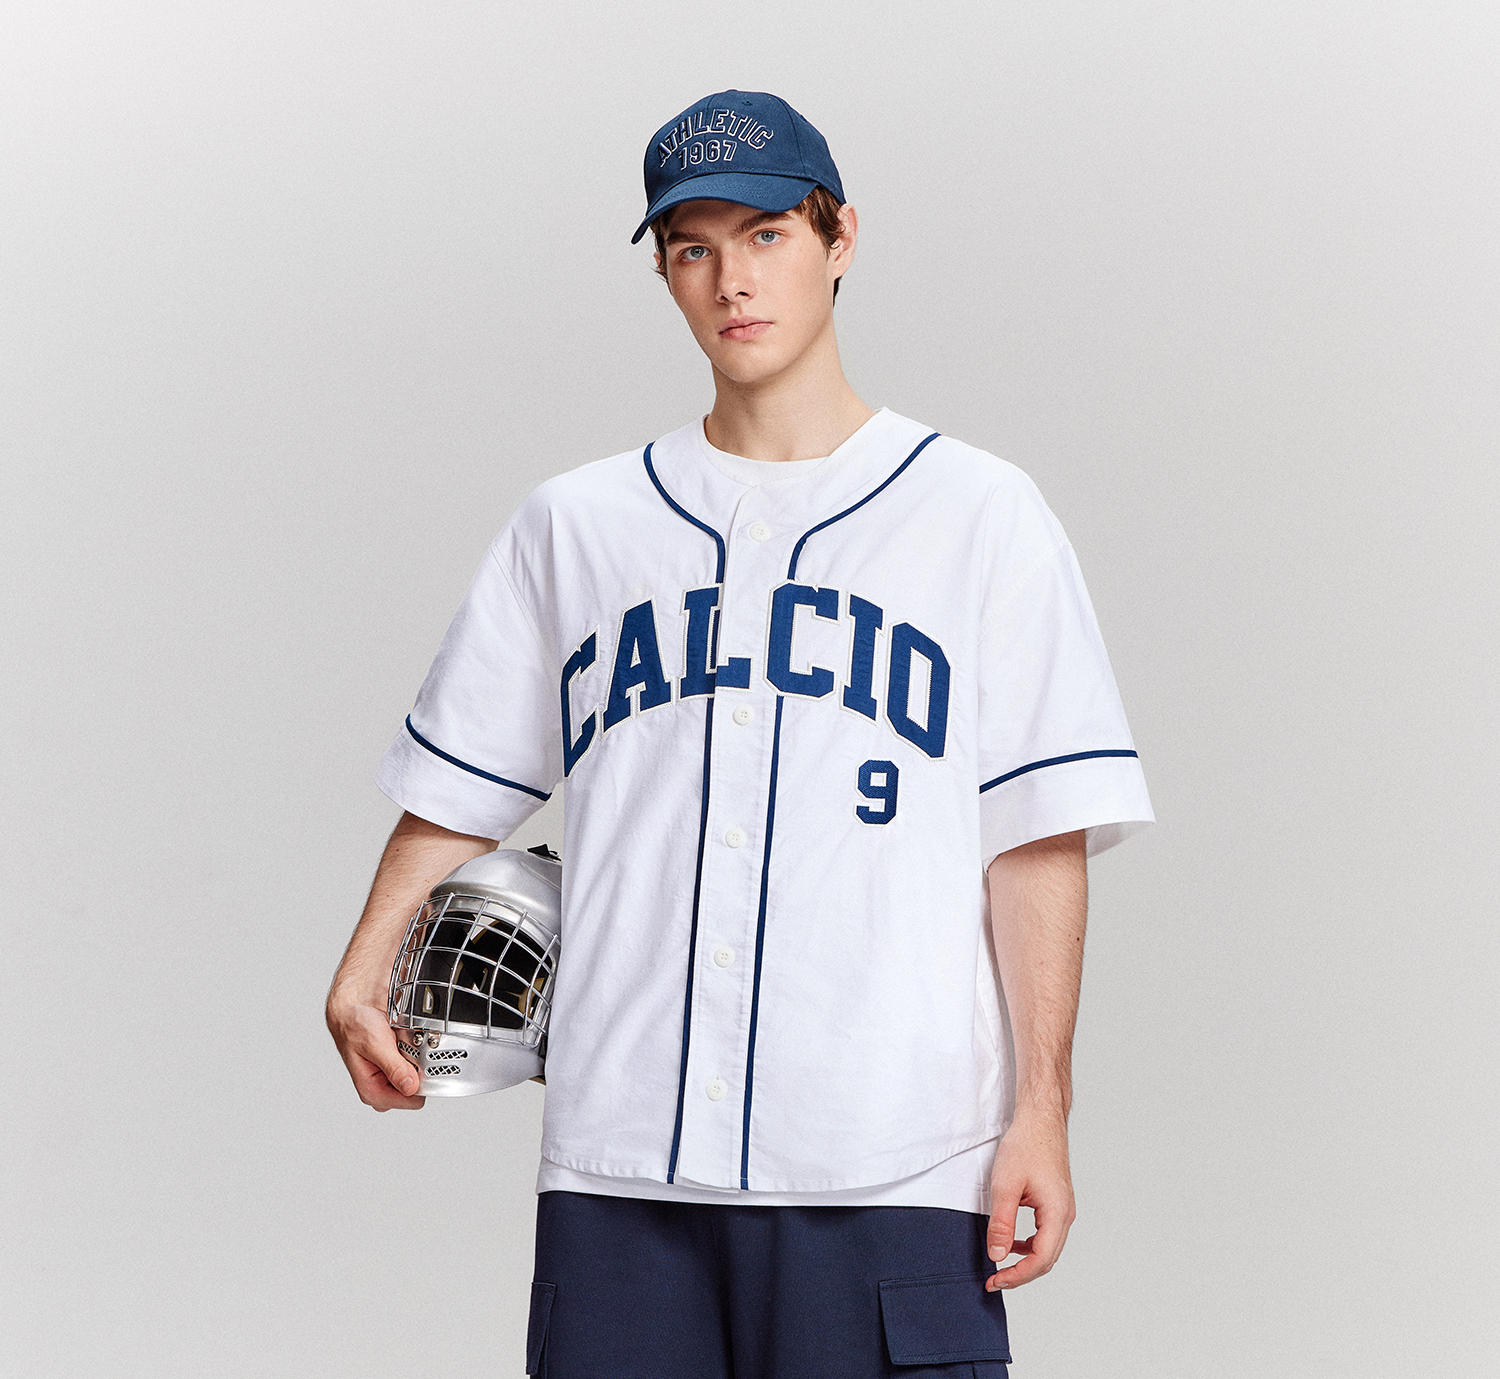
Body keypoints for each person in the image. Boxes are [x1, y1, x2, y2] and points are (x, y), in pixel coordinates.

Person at [327, 89, 1153, 1378]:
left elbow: (1035, 839)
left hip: (896, 1160)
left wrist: (1042, 1109)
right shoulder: (579, 523)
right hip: (622, 1162)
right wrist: (366, 956)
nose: (733, 280)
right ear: (665, 273)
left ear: (840, 238)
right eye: (693, 248)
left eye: (766, 234)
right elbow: (463, 781)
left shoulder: (980, 514)